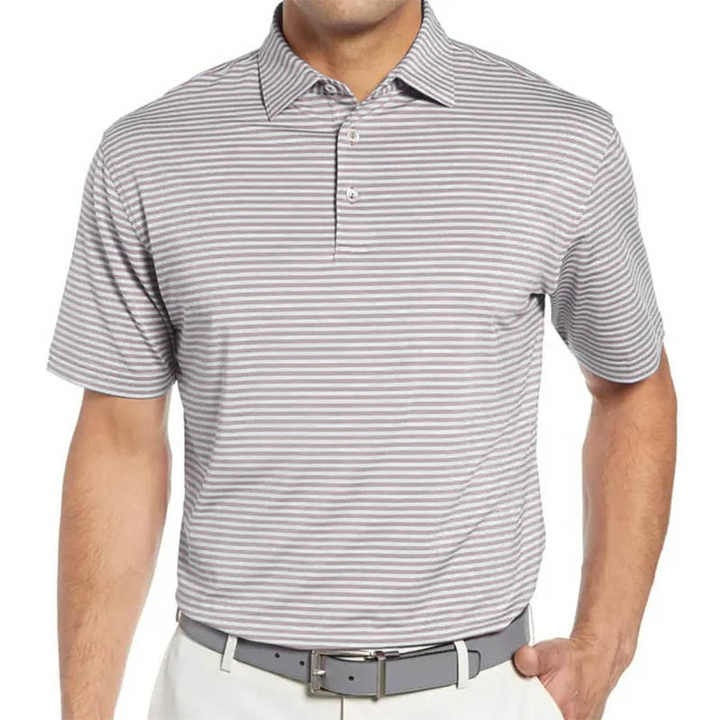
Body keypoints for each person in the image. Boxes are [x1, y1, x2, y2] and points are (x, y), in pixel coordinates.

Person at [47, 1, 676, 718]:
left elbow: (633, 389)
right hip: (222, 690)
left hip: (474, 692)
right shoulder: (148, 153)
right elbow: (119, 440)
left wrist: (605, 645)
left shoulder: (561, 141)